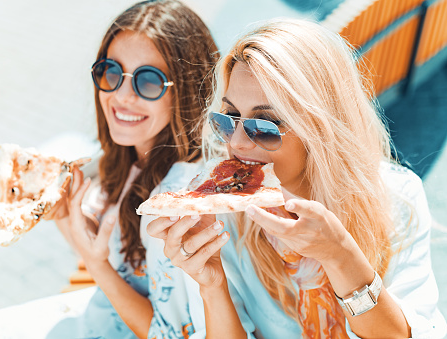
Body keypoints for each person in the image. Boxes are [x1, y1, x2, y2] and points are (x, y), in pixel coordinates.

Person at [147, 18, 447, 338]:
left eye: (265, 125)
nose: (237, 142)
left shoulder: (396, 198)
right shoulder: (221, 220)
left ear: (320, 129)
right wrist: (211, 285)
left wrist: (341, 255)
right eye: (229, 118)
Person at [0, 1, 218, 338]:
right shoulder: (133, 161)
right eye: (111, 72)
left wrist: (95, 262)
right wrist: (66, 217)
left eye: (149, 81)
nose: (122, 96)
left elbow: (170, 334)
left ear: (187, 89)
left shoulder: (177, 203)